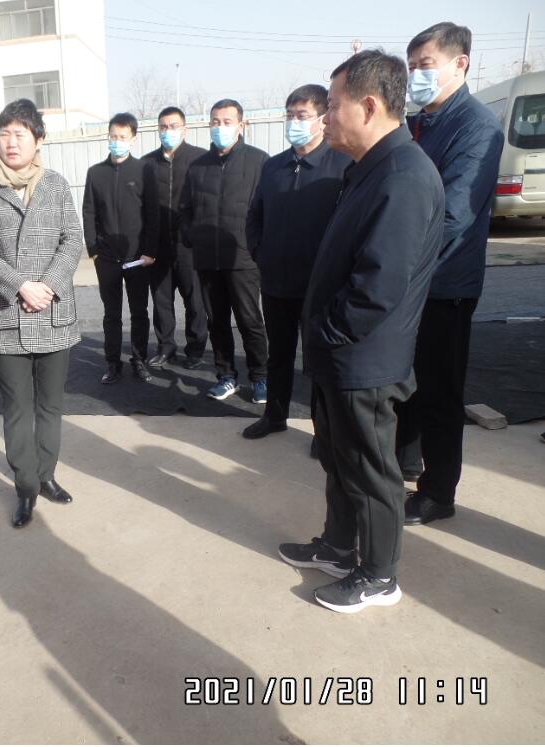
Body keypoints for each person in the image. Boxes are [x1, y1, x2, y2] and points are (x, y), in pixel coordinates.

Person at [278, 51, 445, 613]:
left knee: (372, 471)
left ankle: (378, 575)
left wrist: (326, 331)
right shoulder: (370, 168)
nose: (324, 117)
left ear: (369, 106)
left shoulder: (404, 177)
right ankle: (337, 546)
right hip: (342, 356)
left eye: (332, 105)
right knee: (339, 459)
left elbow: (378, 286)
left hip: (364, 359)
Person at [396, 22, 505, 526]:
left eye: (426, 65)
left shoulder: (477, 127)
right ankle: (407, 462)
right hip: (412, 280)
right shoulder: (419, 123)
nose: (416, 75)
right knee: (408, 384)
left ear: (460, 64)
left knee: (440, 392)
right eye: (411, 67)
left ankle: (439, 492)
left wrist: (390, 252)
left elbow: (454, 214)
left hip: (445, 283)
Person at [0, 99, 83, 528]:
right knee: (17, 408)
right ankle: (26, 487)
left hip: (52, 312)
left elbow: (72, 240)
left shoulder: (56, 184)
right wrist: (20, 285)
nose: (11, 142)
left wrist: (46, 285)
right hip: (7, 315)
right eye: (5, 133)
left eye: (20, 134)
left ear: (38, 140)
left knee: (50, 406)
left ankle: (47, 475)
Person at [244, 85, 351, 438]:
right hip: (276, 282)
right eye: (289, 115)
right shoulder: (273, 166)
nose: (294, 122)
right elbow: (255, 217)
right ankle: (274, 417)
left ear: (322, 118)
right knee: (279, 355)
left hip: (320, 287)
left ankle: (323, 431)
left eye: (301, 115)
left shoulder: (341, 165)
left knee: (319, 360)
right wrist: (261, 253)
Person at [181, 99, 269, 403]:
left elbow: (267, 210)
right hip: (207, 259)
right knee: (216, 322)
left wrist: (256, 246)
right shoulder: (198, 167)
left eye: (227, 122)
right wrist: (192, 237)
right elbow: (185, 209)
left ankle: (260, 376)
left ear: (241, 125)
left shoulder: (259, 162)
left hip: (243, 259)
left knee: (249, 321)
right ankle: (226, 376)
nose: (220, 127)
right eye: (215, 122)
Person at [82, 112, 158, 385]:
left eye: (123, 137)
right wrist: (93, 249)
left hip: (137, 258)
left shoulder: (144, 170)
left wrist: (150, 251)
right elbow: (89, 213)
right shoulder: (95, 173)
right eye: (113, 136)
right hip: (106, 258)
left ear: (133, 139)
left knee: (139, 312)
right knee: (111, 314)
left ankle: (139, 360)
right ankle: (113, 363)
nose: (117, 141)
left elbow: (153, 214)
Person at [142, 106, 209, 370]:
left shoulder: (199, 159)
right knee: (161, 301)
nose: (168, 131)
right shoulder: (147, 163)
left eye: (173, 126)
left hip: (188, 245)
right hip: (157, 245)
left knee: (195, 300)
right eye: (163, 126)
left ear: (184, 129)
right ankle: (166, 347)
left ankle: (196, 349)